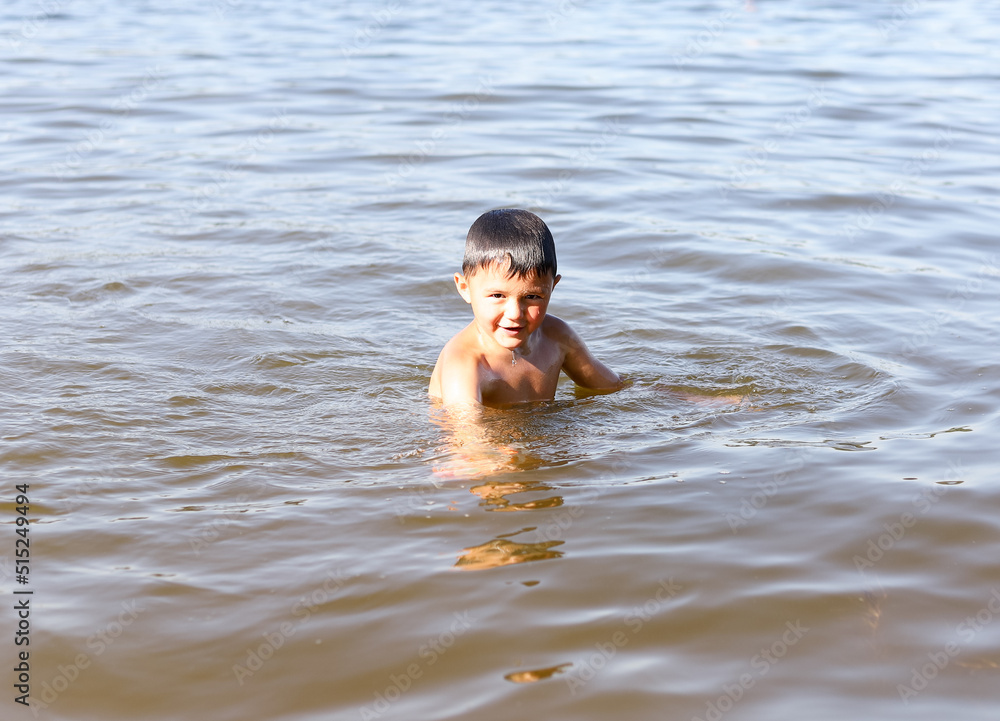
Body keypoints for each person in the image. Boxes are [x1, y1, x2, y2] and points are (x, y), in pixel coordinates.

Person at [428, 208, 622, 408]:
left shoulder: (557, 337)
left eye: (532, 297)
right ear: (465, 288)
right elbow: (466, 431)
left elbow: (610, 387)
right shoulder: (464, 362)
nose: (514, 314)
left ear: (552, 287)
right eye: (497, 296)